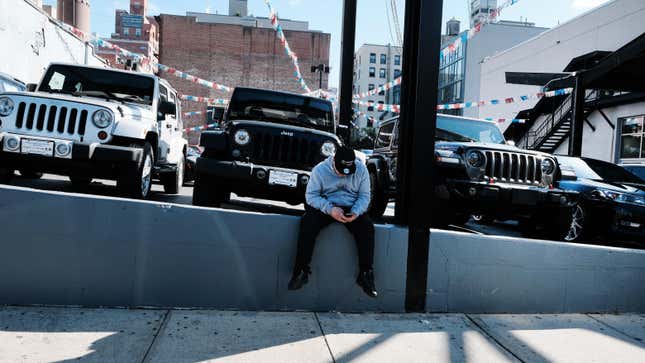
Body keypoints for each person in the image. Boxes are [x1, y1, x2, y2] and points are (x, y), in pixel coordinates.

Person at [288, 146, 378, 298]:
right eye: (340, 171)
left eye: (347, 171)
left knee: (367, 227)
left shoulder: (362, 170)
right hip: (326, 205)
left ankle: (365, 274)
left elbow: (364, 196)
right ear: (333, 162)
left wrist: (356, 211)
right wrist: (330, 209)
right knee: (307, 223)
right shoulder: (320, 170)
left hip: (351, 208)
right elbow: (310, 196)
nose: (343, 175)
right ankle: (301, 271)